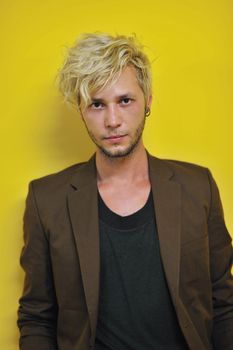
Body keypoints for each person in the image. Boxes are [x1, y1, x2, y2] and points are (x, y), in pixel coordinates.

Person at [17, 33, 233, 350]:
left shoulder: (197, 187)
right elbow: (37, 317)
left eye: (125, 100)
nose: (113, 120)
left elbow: (223, 303)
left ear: (148, 100)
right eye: (97, 104)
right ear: (80, 109)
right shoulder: (46, 200)